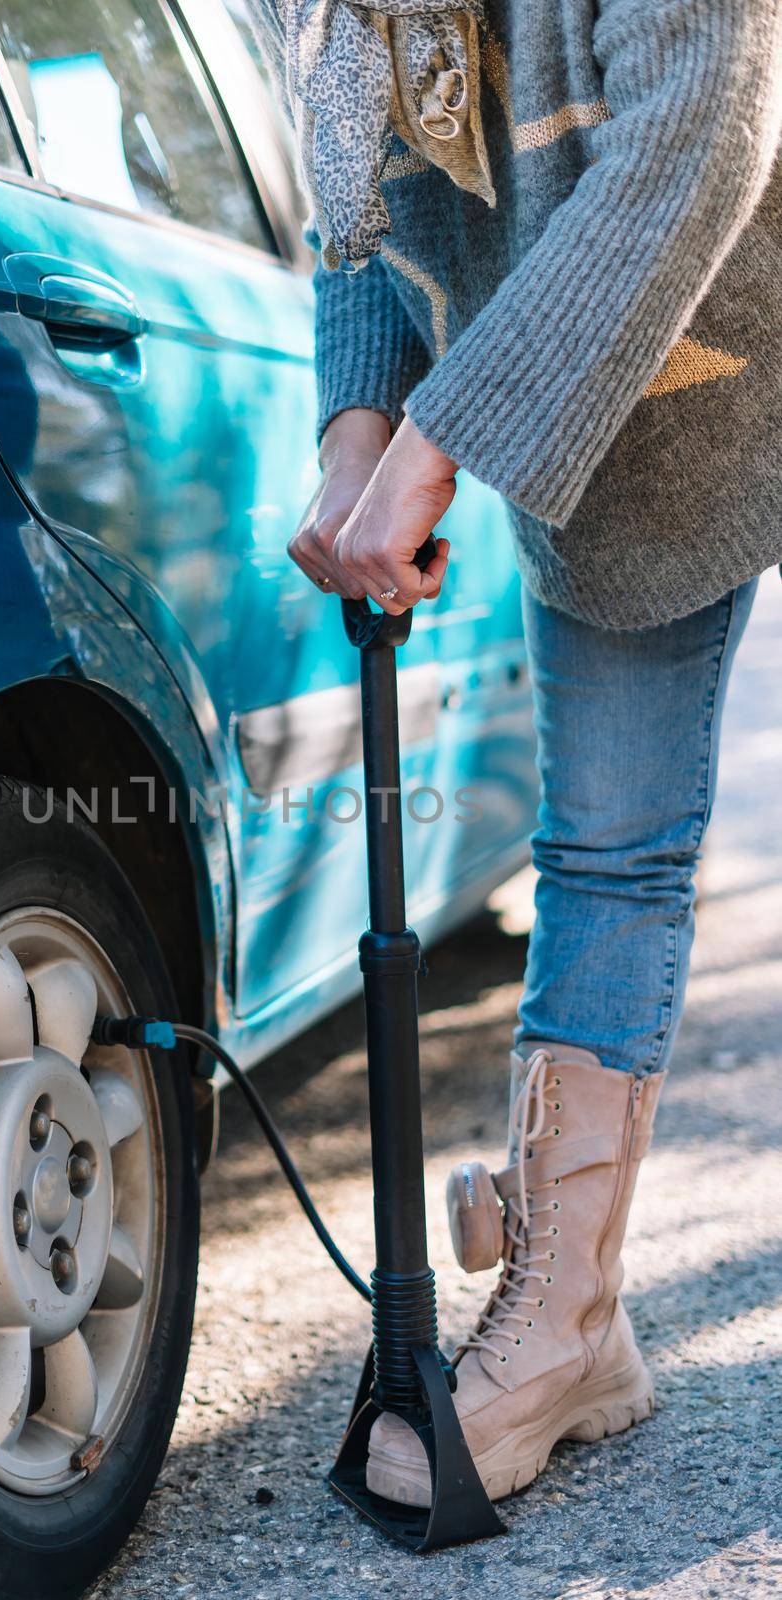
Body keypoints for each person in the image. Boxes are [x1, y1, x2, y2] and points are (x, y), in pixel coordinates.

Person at [247, 0, 782, 1505]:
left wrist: (435, 437)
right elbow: (364, 201)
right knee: (609, 846)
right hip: (627, 414)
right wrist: (356, 425)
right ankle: (569, 1327)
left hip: (747, 276)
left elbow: (702, 118)